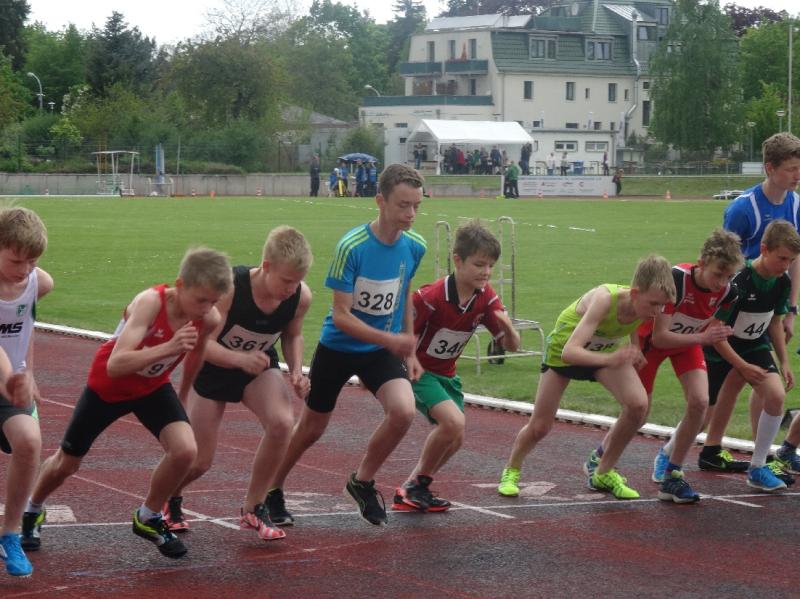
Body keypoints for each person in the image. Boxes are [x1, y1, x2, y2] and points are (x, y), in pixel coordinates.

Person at [21, 248, 232, 559]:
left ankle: (148, 516)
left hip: (152, 387)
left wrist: (184, 394)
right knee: (68, 462)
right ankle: (32, 510)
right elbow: (116, 364)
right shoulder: (150, 302)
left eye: (213, 301)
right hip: (108, 387)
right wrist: (168, 347)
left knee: (186, 450)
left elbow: (196, 352)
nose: (206, 309)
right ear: (180, 285)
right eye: (201, 300)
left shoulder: (208, 318)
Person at [266, 164, 426, 527]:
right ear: (380, 201)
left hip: (379, 352)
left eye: (417, 205)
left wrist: (410, 349)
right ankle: (272, 488)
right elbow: (341, 316)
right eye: (403, 205)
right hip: (338, 348)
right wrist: (391, 339)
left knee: (403, 411)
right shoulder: (351, 247)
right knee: (311, 429)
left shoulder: (415, 246)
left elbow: (404, 293)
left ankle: (362, 481)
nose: (411, 214)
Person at [164, 227, 312, 539]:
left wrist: (297, 371)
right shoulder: (231, 289)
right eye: (286, 280)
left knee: (282, 422)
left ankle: (254, 506)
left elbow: (293, 334)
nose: (291, 288)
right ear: (266, 266)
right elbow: (202, 344)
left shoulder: (301, 296)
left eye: (297, 281)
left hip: (258, 366)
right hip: (212, 369)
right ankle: (169, 496)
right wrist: (239, 359)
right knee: (199, 461)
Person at [498, 256, 675, 500]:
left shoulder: (641, 306)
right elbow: (570, 352)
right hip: (564, 354)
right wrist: (612, 359)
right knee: (540, 427)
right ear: (634, 293)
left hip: (602, 354)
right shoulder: (605, 299)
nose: (657, 312)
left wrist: (635, 347)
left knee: (638, 405)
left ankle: (603, 471)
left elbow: (632, 322)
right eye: (653, 304)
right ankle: (511, 470)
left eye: (662, 306)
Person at [392, 221, 520, 512]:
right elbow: (401, 330)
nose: (486, 272)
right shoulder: (430, 297)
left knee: (456, 438)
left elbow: (510, 345)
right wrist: (409, 360)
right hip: (419, 371)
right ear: (458, 260)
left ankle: (412, 488)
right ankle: (417, 485)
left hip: (447, 375)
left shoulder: (486, 297)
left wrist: (509, 330)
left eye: (491, 266)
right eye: (479, 264)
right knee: (453, 423)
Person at [714, 132, 800, 473]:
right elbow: (723, 258)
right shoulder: (742, 209)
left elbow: (795, 261)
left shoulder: (796, 205)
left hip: (772, 307)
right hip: (739, 305)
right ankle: (708, 450)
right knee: (728, 382)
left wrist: (790, 309)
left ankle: (758, 455)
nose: (797, 175)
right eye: (791, 168)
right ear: (770, 168)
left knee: (763, 377)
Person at [638, 229, 742, 503]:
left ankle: (672, 473)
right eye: (718, 274)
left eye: (729, 276)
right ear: (701, 263)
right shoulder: (677, 280)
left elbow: (711, 329)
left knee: (700, 403)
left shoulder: (729, 293)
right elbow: (660, 337)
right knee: (637, 412)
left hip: (687, 344)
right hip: (651, 345)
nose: (722, 282)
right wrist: (704, 338)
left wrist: (712, 337)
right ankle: (599, 459)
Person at [696, 220, 800, 492]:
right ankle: (670, 457)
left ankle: (758, 466)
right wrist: (740, 365)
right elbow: (716, 328)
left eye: (791, 260)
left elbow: (775, 322)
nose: (786, 265)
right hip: (722, 346)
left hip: (754, 345)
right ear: (764, 249)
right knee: (701, 412)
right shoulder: (740, 281)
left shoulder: (782, 281)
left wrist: (784, 361)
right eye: (782, 258)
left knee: (775, 395)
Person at [0, 207, 53, 577]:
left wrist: (28, 372)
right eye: (16, 261)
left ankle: (10, 534)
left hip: (11, 383)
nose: (24, 269)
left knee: (30, 442)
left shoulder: (39, 282)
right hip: (6, 381)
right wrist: (12, 379)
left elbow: (26, 323)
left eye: (31, 261)